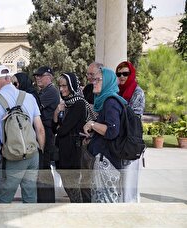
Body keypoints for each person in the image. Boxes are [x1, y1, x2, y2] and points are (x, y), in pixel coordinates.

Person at [0, 65, 45, 203]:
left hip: (12, 156)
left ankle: (3, 223)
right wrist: (39, 151)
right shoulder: (28, 97)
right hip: (32, 154)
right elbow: (40, 129)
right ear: (9, 78)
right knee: (30, 196)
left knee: (5, 198)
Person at [83, 67, 127, 203]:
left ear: (107, 81)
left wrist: (92, 124)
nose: (93, 82)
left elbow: (112, 130)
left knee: (104, 204)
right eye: (93, 79)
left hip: (107, 163)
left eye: (97, 79)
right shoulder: (110, 101)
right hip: (107, 161)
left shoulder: (110, 102)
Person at [52, 73, 96, 203]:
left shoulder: (79, 104)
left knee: (75, 189)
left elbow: (63, 129)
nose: (61, 89)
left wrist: (60, 127)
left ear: (72, 86)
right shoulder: (65, 104)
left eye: (65, 86)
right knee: (69, 187)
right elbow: (54, 127)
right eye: (60, 86)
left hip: (74, 152)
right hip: (64, 151)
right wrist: (56, 112)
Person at [116, 61, 145, 203]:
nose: (122, 77)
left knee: (129, 184)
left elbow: (133, 117)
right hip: (119, 142)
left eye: (125, 74)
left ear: (131, 74)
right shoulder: (117, 91)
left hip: (131, 142)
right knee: (120, 183)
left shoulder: (137, 92)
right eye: (119, 74)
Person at [33, 66, 59, 203]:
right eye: (36, 76)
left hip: (46, 132)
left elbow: (35, 108)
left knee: (44, 166)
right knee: (41, 167)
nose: (37, 78)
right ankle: (43, 199)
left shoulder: (51, 91)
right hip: (42, 131)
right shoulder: (44, 91)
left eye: (40, 75)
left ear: (49, 77)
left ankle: (46, 200)